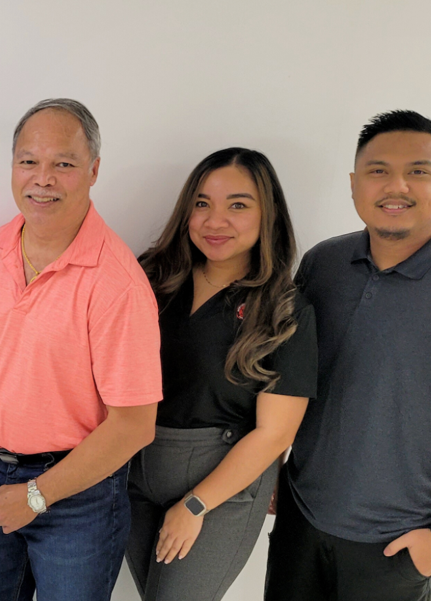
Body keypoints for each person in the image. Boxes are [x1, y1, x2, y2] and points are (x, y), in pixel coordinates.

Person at [265, 110, 431, 601]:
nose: (396, 186)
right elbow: (294, 378)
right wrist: (273, 468)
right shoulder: (323, 264)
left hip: (399, 545)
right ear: (354, 184)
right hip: (301, 518)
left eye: (418, 171)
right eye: (378, 171)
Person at [0, 98, 161, 601]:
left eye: (63, 164)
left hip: (80, 497)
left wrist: (39, 495)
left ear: (93, 171)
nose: (43, 179)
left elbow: (134, 424)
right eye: (29, 161)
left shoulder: (117, 283)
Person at [126, 148, 316, 600]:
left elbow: (275, 434)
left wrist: (195, 505)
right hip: (134, 473)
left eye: (238, 204)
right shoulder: (151, 280)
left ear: (267, 213)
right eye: (202, 203)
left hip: (221, 488)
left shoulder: (285, 310)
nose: (215, 221)